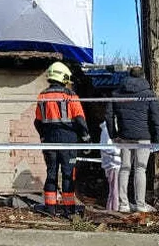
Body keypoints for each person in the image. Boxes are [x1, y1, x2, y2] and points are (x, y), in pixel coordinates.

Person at [34, 62, 89, 217]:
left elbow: (37, 122)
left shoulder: (42, 96)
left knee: (51, 173)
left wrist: (43, 136)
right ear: (64, 78)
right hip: (68, 141)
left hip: (49, 141)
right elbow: (80, 120)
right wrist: (86, 139)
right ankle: (69, 210)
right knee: (68, 174)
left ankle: (50, 208)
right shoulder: (70, 96)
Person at [105, 66, 159, 212]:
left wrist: (113, 135)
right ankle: (140, 205)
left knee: (124, 169)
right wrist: (157, 139)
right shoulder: (149, 94)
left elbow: (108, 116)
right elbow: (156, 118)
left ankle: (123, 204)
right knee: (140, 169)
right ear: (143, 76)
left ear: (128, 75)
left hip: (124, 136)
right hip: (144, 137)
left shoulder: (116, 93)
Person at [99, 121, 121, 212]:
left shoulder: (106, 130)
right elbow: (109, 148)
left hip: (112, 163)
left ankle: (111, 208)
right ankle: (114, 209)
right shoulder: (108, 131)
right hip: (113, 163)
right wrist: (121, 151)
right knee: (114, 189)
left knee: (113, 189)